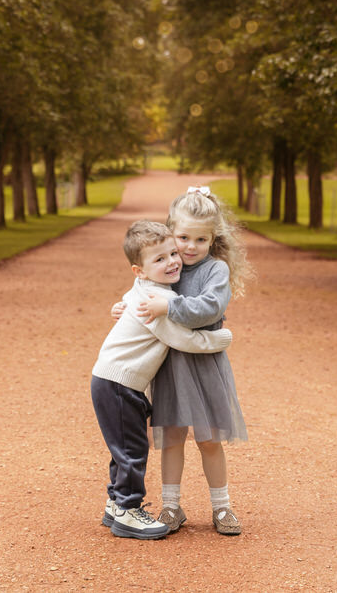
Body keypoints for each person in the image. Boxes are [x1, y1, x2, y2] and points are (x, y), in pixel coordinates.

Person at [115, 186, 253, 536]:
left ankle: (222, 507)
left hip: (205, 366)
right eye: (183, 237)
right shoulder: (168, 263)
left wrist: (170, 306)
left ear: (213, 239)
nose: (190, 247)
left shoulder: (215, 270)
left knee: (209, 440)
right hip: (172, 366)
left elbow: (210, 308)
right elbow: (142, 286)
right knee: (172, 438)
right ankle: (171, 506)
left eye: (200, 239)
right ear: (170, 233)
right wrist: (127, 307)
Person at [91, 219, 234, 540]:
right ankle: (128, 509)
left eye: (173, 253)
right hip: (118, 384)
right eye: (160, 259)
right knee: (132, 449)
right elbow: (181, 338)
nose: (171, 262)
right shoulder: (154, 301)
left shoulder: (146, 289)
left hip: (116, 381)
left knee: (123, 447)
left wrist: (122, 304)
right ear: (139, 270)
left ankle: (115, 503)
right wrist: (220, 339)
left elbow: (132, 294)